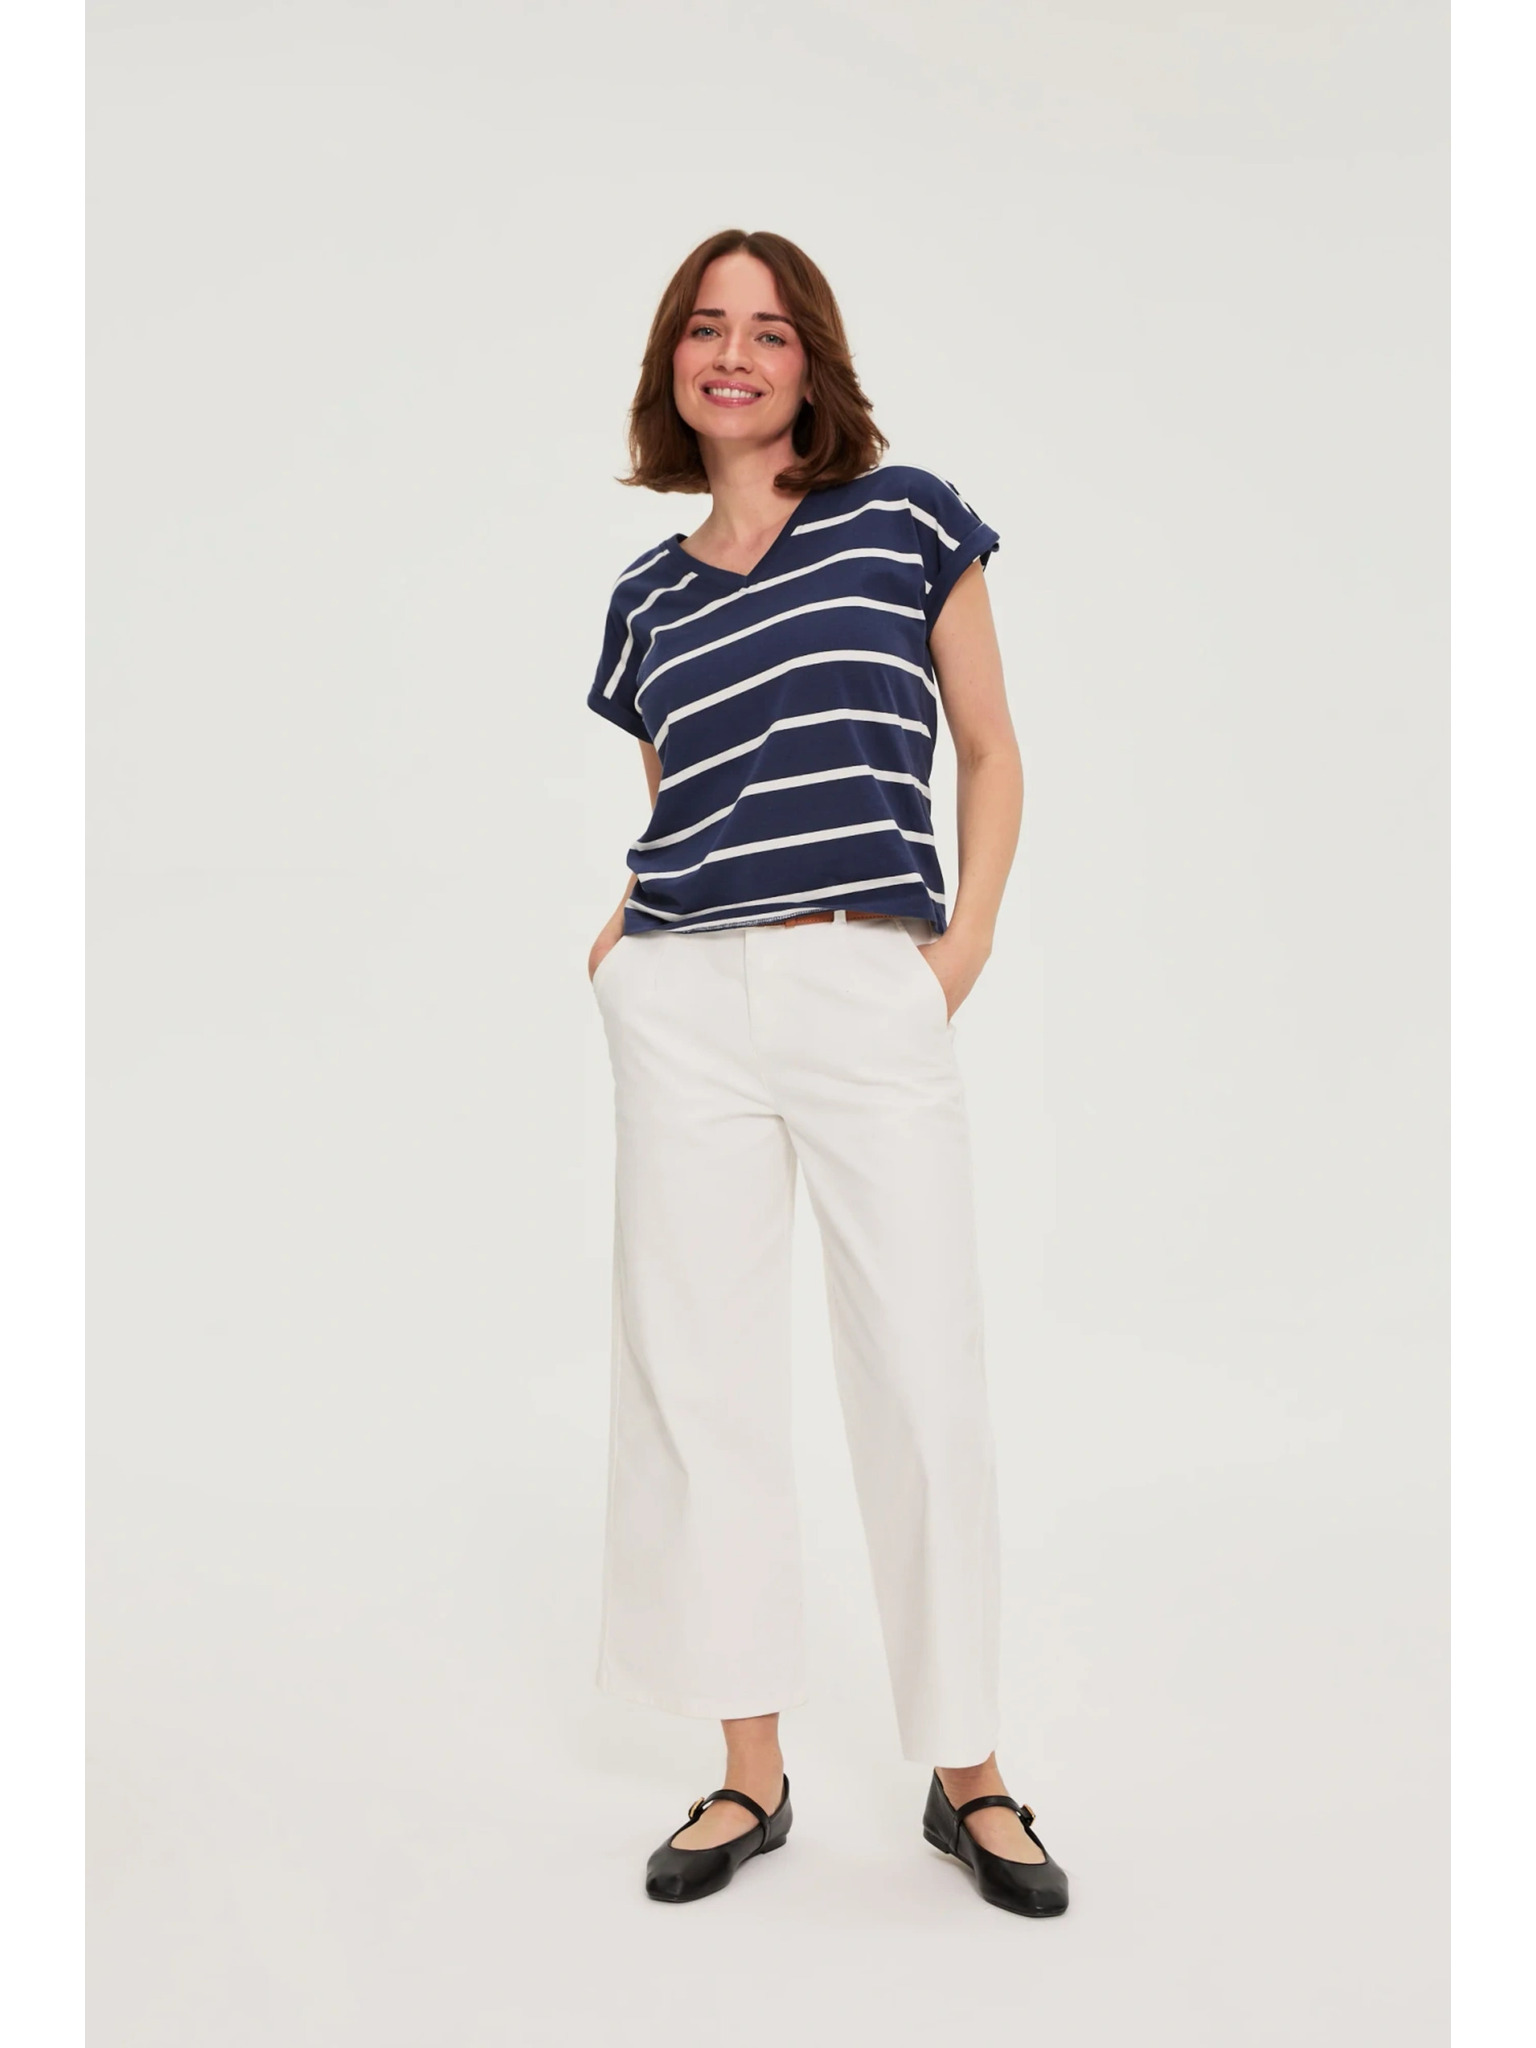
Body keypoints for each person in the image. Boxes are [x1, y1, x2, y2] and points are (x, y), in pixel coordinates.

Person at [583, 228, 1069, 1919]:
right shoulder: (645, 598)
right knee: (702, 1380)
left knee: (922, 1372)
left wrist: (963, 947)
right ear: (674, 361)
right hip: (684, 998)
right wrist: (623, 949)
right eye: (707, 328)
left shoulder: (906, 518)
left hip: (869, 979)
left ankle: (969, 1772)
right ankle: (749, 1767)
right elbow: (683, 801)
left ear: (813, 364)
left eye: (769, 331)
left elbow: (991, 749)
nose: (735, 354)